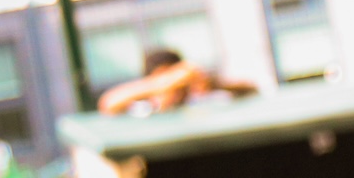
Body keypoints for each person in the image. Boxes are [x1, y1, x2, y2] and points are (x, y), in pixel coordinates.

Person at [96, 48, 258, 115]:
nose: (172, 87)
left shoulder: (201, 102)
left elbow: (250, 90)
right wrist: (160, 84)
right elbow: (108, 103)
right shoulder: (144, 108)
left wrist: (208, 82)